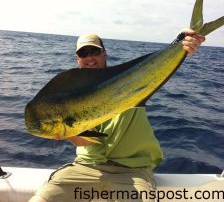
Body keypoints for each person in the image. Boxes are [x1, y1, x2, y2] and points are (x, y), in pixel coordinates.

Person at [28, 30, 205, 202]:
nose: (90, 57)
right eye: (84, 53)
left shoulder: (128, 80)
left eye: (94, 51)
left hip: (133, 171)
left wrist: (181, 42)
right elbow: (88, 141)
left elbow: (155, 68)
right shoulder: (70, 95)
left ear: (105, 54)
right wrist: (69, 134)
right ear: (78, 59)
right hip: (87, 166)